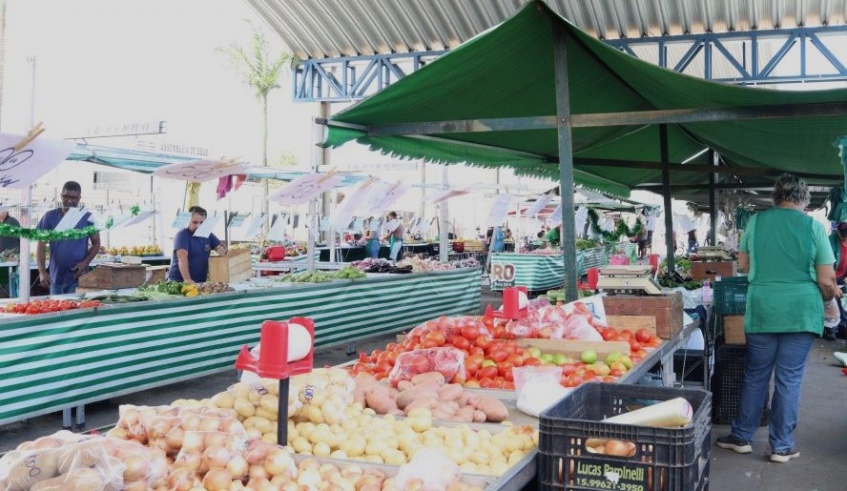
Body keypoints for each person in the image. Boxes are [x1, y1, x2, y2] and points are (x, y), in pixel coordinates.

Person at [716, 173, 840, 463]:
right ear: (804, 198)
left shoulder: (756, 222)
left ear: (776, 196)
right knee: (789, 377)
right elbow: (825, 279)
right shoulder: (813, 226)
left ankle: (741, 437)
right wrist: (831, 302)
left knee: (756, 374)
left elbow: (744, 265)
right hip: (800, 311)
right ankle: (781, 446)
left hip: (763, 307)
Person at [36, 181, 101, 294]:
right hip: (55, 277)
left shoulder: (87, 218)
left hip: (78, 277)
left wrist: (85, 263)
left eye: (74, 198)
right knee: (56, 308)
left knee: (76, 310)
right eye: (66, 197)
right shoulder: (49, 217)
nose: (70, 201)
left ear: (79, 198)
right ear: (61, 195)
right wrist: (42, 271)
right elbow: (41, 245)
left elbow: (96, 243)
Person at [168, 206, 227, 284]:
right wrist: (187, 279)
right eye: (195, 222)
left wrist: (223, 248)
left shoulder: (208, 235)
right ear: (188, 220)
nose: (198, 226)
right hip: (179, 283)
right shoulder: (182, 235)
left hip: (200, 283)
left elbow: (221, 245)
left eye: (201, 223)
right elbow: (182, 259)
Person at [827, 221, 847, 340]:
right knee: (831, 300)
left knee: (844, 302)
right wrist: (833, 285)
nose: (845, 238)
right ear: (838, 232)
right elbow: (825, 264)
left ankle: (842, 327)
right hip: (830, 276)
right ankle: (831, 329)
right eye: (843, 236)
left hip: (843, 277)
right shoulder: (830, 241)